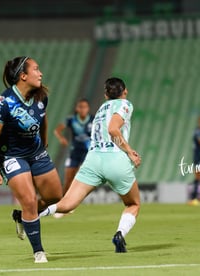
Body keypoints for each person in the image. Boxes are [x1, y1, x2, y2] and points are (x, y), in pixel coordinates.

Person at [39, 77, 141, 253]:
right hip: (115, 159)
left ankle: (32, 217)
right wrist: (130, 151)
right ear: (125, 92)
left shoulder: (101, 109)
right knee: (133, 204)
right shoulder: (125, 104)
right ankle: (119, 234)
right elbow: (113, 129)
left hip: (93, 160)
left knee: (67, 204)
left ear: (105, 95)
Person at [0, 56, 62, 263]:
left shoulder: (41, 97)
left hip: (36, 152)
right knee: (29, 200)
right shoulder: (4, 102)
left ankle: (23, 217)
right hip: (12, 156)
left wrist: (44, 142)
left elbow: (43, 118)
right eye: (36, 69)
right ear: (23, 75)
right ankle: (39, 252)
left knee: (55, 197)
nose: (41, 73)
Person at [53, 99, 93, 218]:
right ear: (77, 108)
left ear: (88, 108)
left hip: (87, 153)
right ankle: (63, 204)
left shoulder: (93, 119)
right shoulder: (71, 120)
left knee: (81, 179)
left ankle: (72, 203)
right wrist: (61, 138)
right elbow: (57, 130)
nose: (83, 109)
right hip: (74, 152)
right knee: (68, 178)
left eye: (85, 107)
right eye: (80, 107)